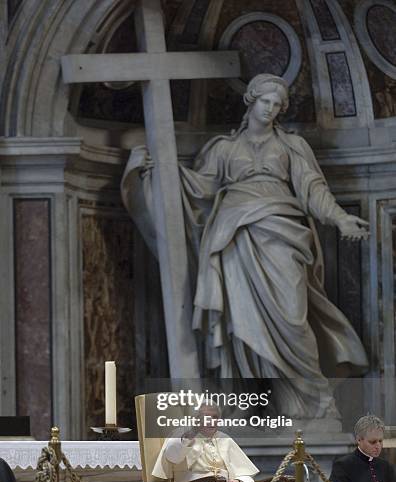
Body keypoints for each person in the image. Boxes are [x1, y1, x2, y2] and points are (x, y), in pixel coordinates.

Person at [122, 73, 369, 419]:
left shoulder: (291, 146)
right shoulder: (223, 149)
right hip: (233, 239)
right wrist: (156, 172)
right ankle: (261, 403)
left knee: (291, 318)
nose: (269, 109)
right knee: (241, 324)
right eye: (264, 101)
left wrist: (340, 219)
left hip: (282, 235)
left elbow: (313, 189)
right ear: (251, 101)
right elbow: (198, 190)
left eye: (276, 104)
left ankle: (314, 399)